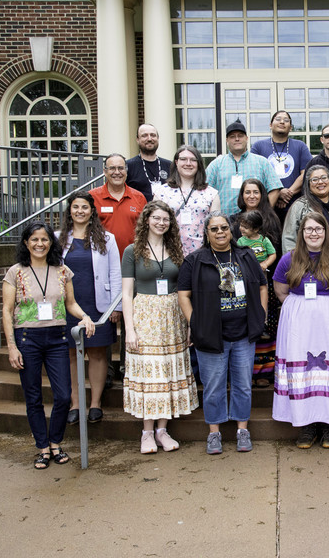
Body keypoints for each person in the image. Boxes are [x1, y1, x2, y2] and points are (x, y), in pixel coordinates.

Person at [2, 222, 95, 469]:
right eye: (34, 239)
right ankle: (43, 447)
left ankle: (56, 441)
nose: (40, 244)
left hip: (56, 338)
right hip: (26, 339)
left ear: (50, 243)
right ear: (26, 243)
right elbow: (7, 310)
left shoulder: (62, 270)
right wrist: (12, 347)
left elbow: (71, 303)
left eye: (44, 239)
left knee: (64, 396)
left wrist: (84, 316)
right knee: (33, 396)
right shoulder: (15, 272)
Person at [178, 212, 268, 455]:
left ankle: (242, 430)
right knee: (214, 386)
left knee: (242, 385)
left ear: (232, 230)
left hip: (243, 334)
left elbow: (262, 285)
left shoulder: (245, 255)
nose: (220, 232)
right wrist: (194, 323)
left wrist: (261, 314)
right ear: (207, 234)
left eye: (224, 228)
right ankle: (214, 433)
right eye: (214, 229)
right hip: (211, 335)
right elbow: (184, 295)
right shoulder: (194, 260)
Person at [273, 212, 329, 449]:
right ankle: (307, 425)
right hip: (299, 325)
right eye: (309, 229)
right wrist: (300, 310)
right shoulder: (289, 259)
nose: (314, 233)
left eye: (318, 229)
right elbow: (281, 290)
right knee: (305, 373)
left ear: (326, 232)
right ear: (301, 233)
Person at [121, 201, 198, 454]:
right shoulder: (133, 251)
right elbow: (126, 292)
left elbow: (185, 290)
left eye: (166, 219)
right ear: (147, 220)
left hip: (173, 316)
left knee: (168, 374)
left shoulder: (176, 249)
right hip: (145, 316)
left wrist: (189, 324)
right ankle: (146, 433)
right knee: (149, 375)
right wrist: (129, 329)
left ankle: (162, 431)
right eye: (156, 218)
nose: (161, 223)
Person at [57, 191, 122, 425]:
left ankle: (95, 403)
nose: (80, 211)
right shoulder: (58, 239)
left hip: (99, 304)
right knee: (71, 354)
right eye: (75, 207)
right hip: (67, 305)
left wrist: (117, 306)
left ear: (91, 211)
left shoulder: (107, 238)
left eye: (84, 207)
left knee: (96, 352)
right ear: (70, 211)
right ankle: (76, 402)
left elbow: (116, 272)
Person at [90, 153, 147, 385]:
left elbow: (145, 229)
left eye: (120, 168)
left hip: (133, 265)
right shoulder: (94, 197)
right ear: (104, 171)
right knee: (105, 316)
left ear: (126, 171)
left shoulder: (138, 197)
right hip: (102, 266)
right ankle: (106, 372)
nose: (116, 172)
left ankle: (126, 366)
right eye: (111, 168)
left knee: (129, 316)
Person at [230, 179, 282, 388]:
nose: (251, 196)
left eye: (256, 192)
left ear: (262, 194)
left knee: (265, 324)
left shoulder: (271, 219)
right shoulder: (234, 221)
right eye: (247, 192)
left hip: (266, 282)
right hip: (241, 282)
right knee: (244, 323)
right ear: (242, 195)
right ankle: (244, 372)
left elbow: (275, 252)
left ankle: (265, 372)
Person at [153, 144, 220, 257]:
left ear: (198, 164)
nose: (188, 163)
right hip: (168, 254)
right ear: (176, 162)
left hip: (202, 254)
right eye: (183, 159)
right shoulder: (161, 192)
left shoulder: (212, 194)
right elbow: (153, 225)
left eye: (193, 160)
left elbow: (216, 228)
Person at [206, 120, 283, 215]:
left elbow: (274, 189)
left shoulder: (262, 162)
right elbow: (205, 192)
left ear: (246, 138)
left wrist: (263, 215)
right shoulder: (216, 164)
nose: (237, 139)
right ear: (227, 140)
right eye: (232, 136)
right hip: (224, 225)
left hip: (255, 224)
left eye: (240, 136)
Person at [251, 110, 312, 220]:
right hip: (266, 205)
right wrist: (277, 193)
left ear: (291, 127)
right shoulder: (258, 147)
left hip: (295, 205)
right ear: (270, 125)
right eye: (278, 119)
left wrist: (288, 194)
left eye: (286, 120)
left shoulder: (300, 146)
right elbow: (254, 176)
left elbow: (306, 174)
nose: (282, 122)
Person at [126, 124, 172, 202]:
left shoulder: (170, 166)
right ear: (137, 140)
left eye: (153, 135)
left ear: (158, 138)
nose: (149, 139)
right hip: (138, 212)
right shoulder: (128, 166)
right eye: (144, 136)